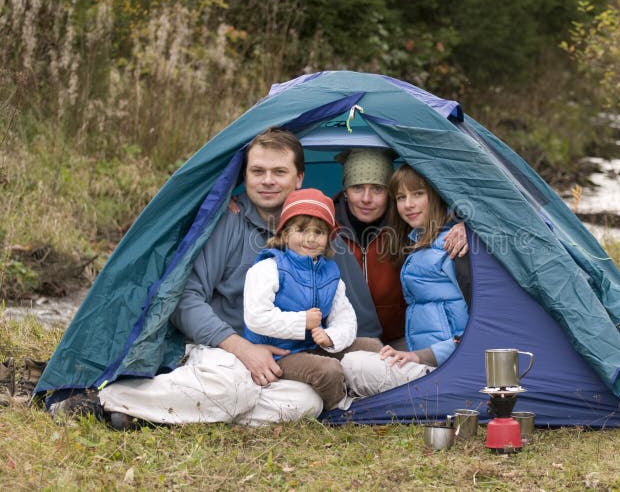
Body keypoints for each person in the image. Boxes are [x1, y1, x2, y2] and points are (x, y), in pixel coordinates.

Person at [81, 128, 381, 428]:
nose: (267, 180)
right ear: (245, 175)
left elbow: (352, 318)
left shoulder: (319, 237)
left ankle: (155, 414)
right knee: (232, 387)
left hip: (283, 362)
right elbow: (184, 299)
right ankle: (104, 398)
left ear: (299, 178)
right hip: (222, 351)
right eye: (257, 171)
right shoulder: (226, 221)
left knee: (306, 403)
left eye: (279, 172)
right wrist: (241, 348)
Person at [341, 164, 470, 397]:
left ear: (438, 195)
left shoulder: (454, 246)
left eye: (418, 194)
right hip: (425, 357)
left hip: (447, 366)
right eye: (401, 197)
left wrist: (469, 225)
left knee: (353, 365)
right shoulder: (417, 245)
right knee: (362, 354)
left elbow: (476, 328)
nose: (408, 205)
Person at [242, 189, 360, 411]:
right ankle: (340, 411)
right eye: (302, 230)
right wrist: (301, 321)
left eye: (319, 232)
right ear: (285, 234)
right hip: (277, 353)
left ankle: (368, 393)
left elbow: (345, 318)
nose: (311, 238)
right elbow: (256, 317)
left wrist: (330, 338)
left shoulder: (330, 274)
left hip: (312, 346)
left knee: (371, 346)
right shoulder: (268, 268)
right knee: (329, 370)